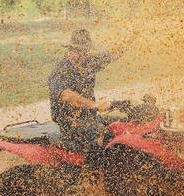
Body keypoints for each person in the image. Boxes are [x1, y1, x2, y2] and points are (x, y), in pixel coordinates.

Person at [48, 29, 133, 157]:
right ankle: (92, 172)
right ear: (69, 49)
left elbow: (111, 55)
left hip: (90, 118)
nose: (80, 56)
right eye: (76, 51)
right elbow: (67, 95)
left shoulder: (88, 62)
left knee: (124, 121)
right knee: (105, 133)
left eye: (83, 52)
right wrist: (95, 105)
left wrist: (133, 36)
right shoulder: (61, 70)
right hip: (70, 124)